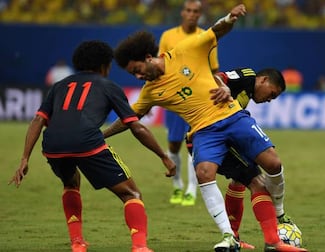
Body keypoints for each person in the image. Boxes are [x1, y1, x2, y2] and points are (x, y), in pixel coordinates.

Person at [104, 4, 307, 252]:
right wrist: (102, 134)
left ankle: (278, 220)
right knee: (204, 173)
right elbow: (130, 117)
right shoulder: (150, 92)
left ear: (148, 58)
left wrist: (230, 18)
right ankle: (232, 237)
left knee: (273, 163)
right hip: (204, 131)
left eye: (137, 70)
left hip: (232, 117)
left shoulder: (185, 50)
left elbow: (216, 31)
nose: (137, 77)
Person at [9, 40, 176, 252]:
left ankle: (77, 243)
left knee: (70, 183)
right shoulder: (109, 86)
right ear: (105, 65)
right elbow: (137, 128)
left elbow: (38, 120)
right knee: (131, 194)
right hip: (87, 143)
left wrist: (25, 158)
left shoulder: (59, 86)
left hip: (53, 145)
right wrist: (163, 156)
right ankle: (140, 247)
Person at [186, 67, 299, 250]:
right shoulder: (247, 76)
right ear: (263, 80)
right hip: (207, 134)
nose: (269, 100)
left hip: (226, 136)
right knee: (257, 179)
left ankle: (236, 238)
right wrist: (224, 87)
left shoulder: (245, 98)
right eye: (272, 94)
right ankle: (270, 238)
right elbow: (218, 76)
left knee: (241, 181)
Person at [158, 0, 219, 207]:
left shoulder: (206, 37)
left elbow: (214, 70)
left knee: (195, 147)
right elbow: (161, 66)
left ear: (200, 15)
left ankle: (191, 190)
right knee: (174, 144)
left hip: (199, 102)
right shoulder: (168, 36)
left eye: (196, 12)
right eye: (189, 10)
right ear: (182, 13)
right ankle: (177, 185)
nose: (192, 14)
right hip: (175, 101)